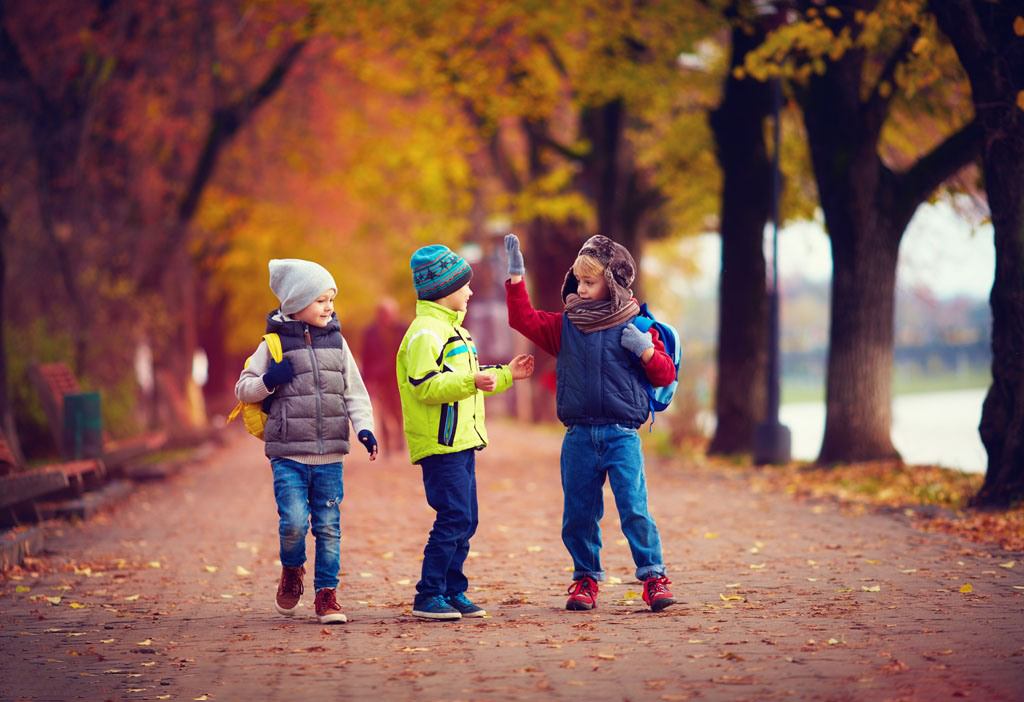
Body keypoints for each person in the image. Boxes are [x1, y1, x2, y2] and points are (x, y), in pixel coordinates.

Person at [503, 233, 678, 612]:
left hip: (622, 435)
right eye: (577, 281)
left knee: (634, 508)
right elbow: (522, 319)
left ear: (612, 282)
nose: (580, 289)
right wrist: (517, 279)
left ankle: (654, 578)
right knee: (579, 513)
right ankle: (585, 580)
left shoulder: (637, 326)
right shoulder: (566, 326)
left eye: (589, 281)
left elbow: (665, 375)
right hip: (579, 435)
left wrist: (646, 351)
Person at [235, 258, 378, 625]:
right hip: (289, 454)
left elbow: (355, 392)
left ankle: (327, 595)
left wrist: (364, 427)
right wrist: (270, 380)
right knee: (295, 522)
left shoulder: (338, 342)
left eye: (331, 299)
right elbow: (243, 388)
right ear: (294, 303)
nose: (329, 307)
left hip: (330, 453)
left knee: (329, 526)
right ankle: (292, 569)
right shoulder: (272, 344)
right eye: (320, 300)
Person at [397, 244, 534, 620]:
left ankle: (453, 589)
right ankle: (428, 594)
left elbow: (476, 381)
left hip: (461, 441)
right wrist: (471, 380)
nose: (471, 292)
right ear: (445, 288)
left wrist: (507, 374)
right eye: (465, 286)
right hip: (440, 444)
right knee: (453, 516)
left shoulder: (456, 331)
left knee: (467, 517)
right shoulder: (426, 332)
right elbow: (425, 385)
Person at [360, 297, 407, 453]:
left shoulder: (403, 329)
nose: (386, 316)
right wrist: (367, 381)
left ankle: (400, 439)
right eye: (383, 313)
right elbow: (365, 358)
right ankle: (386, 446)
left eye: (389, 313)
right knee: (383, 413)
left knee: (399, 410)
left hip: (398, 377)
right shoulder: (370, 333)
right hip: (379, 379)